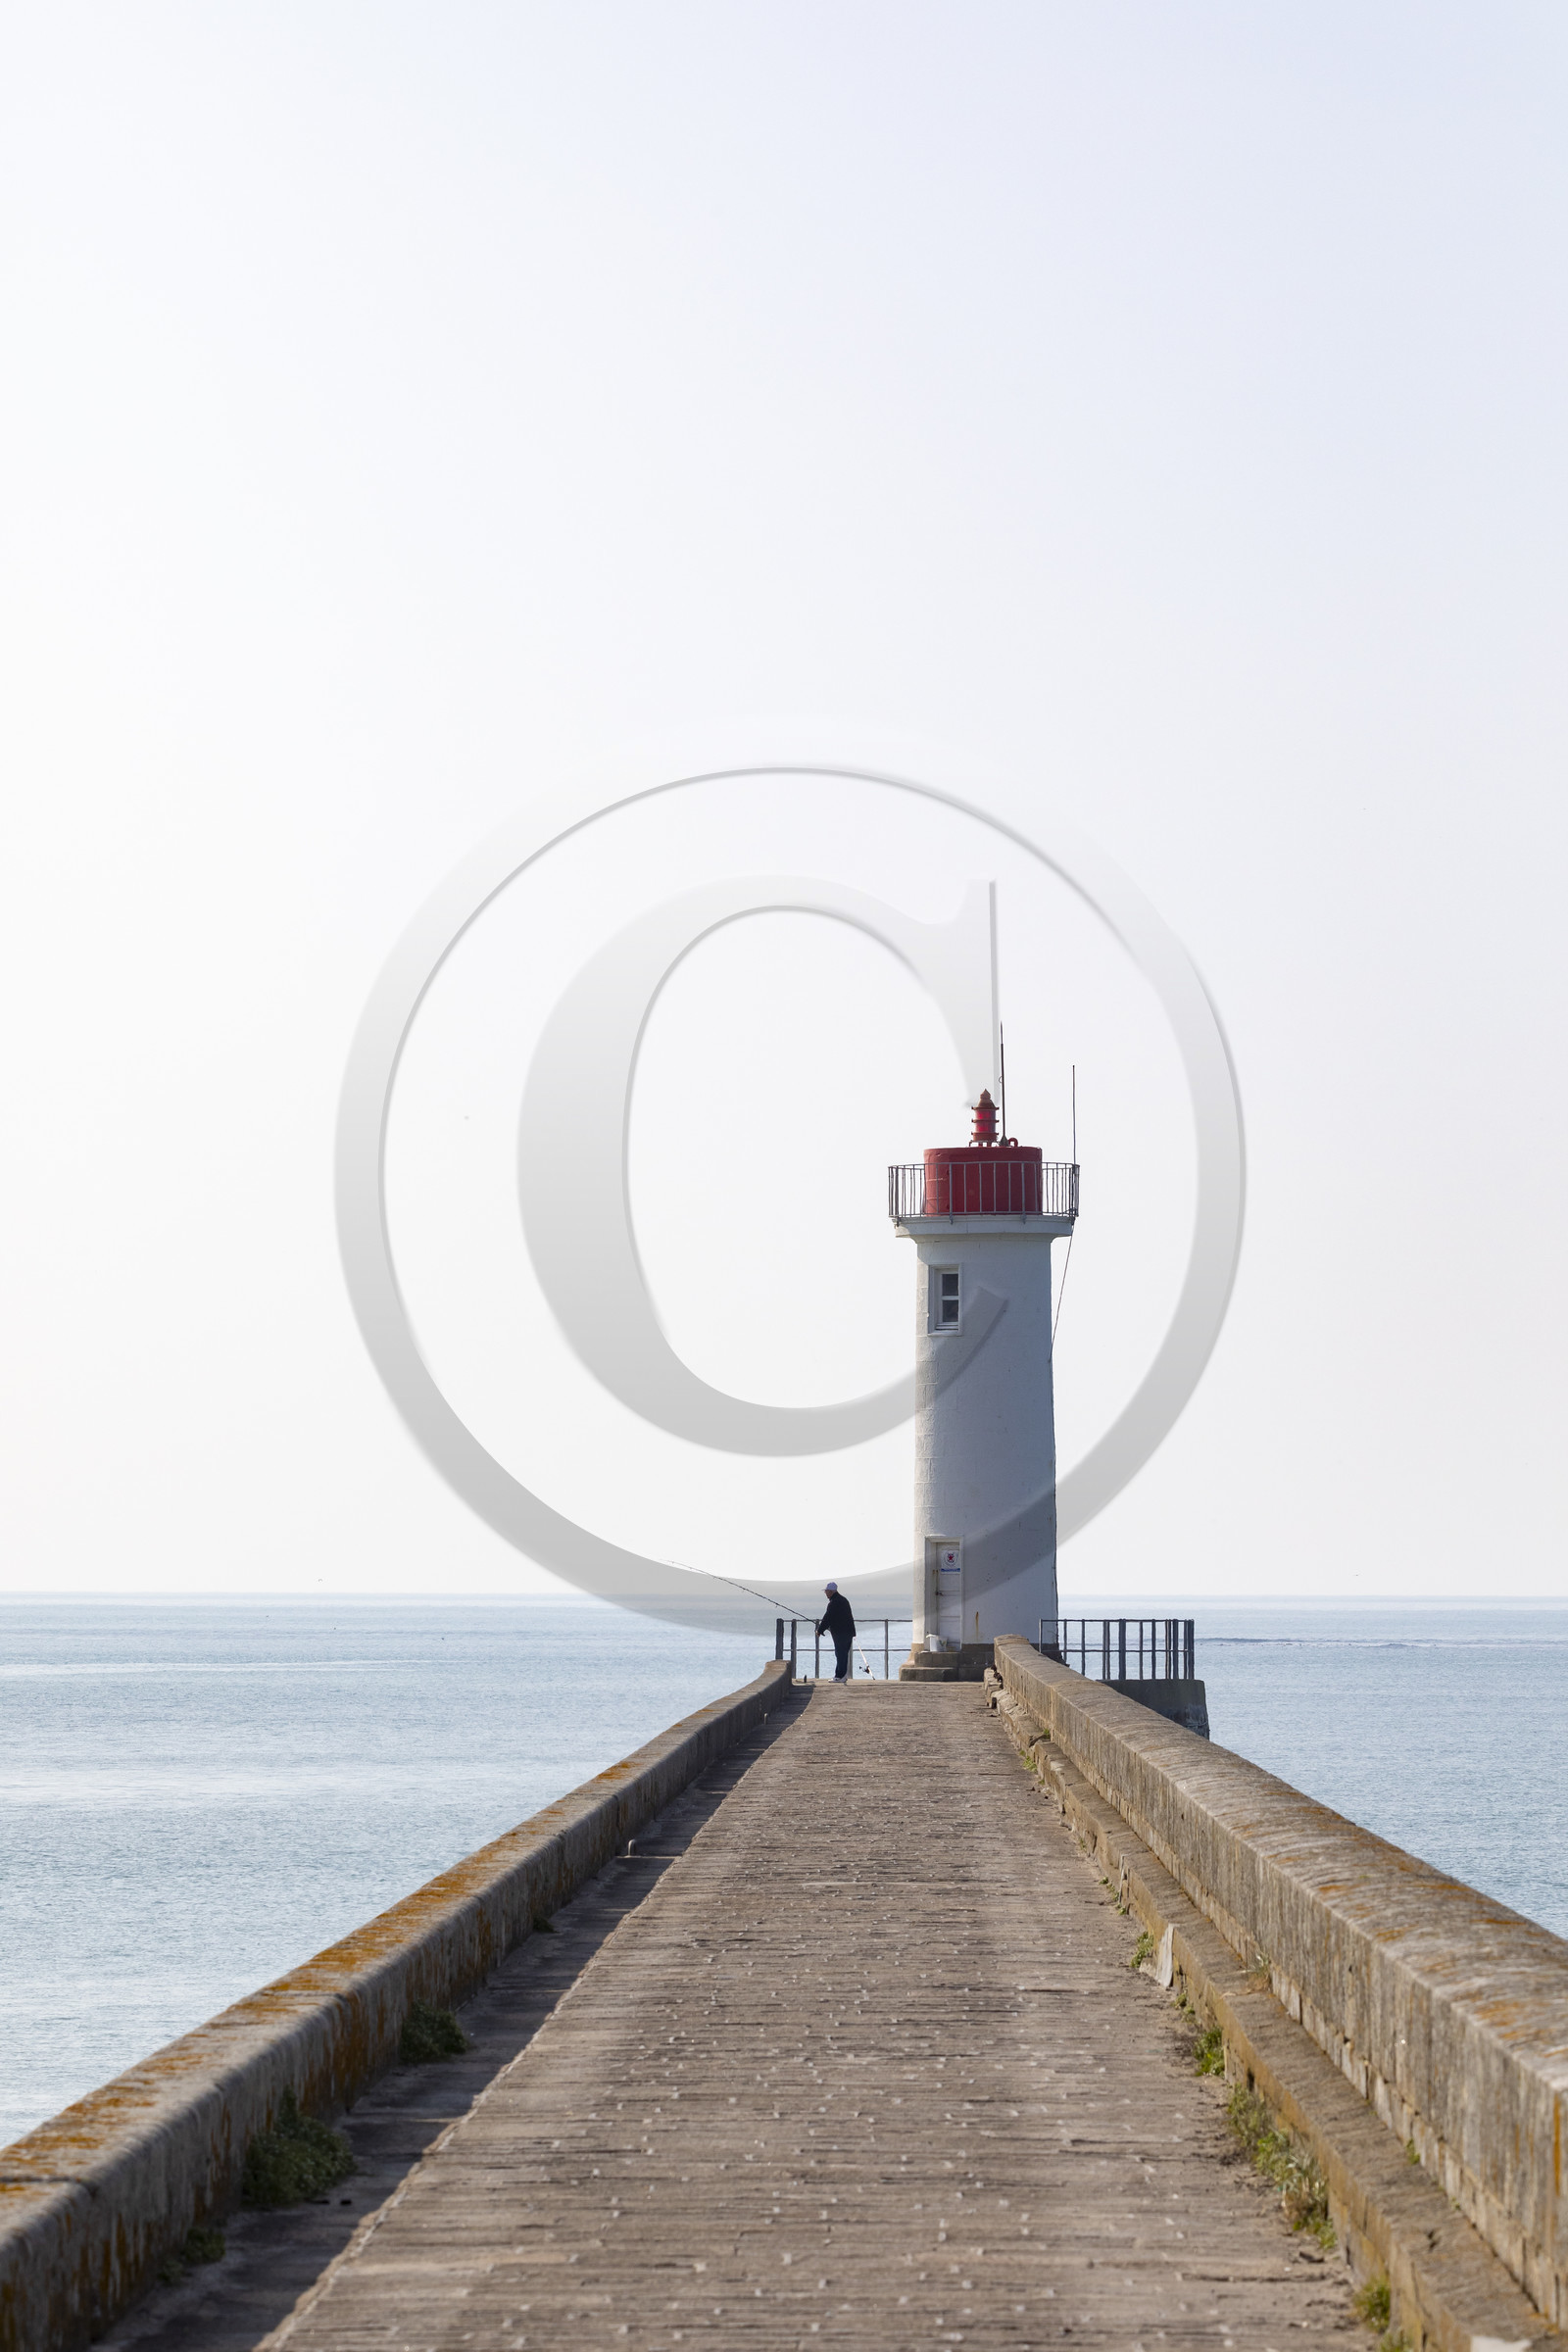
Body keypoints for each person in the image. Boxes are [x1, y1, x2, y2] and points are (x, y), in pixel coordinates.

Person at [815, 1582, 857, 1682]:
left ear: (831, 1591)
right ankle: (842, 1675)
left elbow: (827, 1617)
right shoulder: (843, 1600)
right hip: (848, 1632)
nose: (825, 1593)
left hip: (841, 1633)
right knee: (843, 1654)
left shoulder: (834, 1602)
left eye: (826, 1591)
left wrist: (820, 1630)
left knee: (840, 1654)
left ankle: (839, 1676)